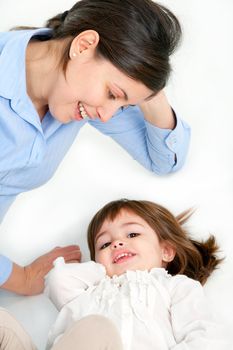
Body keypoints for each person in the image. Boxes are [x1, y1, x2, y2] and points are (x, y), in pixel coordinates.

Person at [0, 0, 191, 295]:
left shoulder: (78, 95)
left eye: (124, 104)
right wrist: (20, 278)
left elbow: (165, 159)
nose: (107, 115)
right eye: (113, 94)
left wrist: (148, 84)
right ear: (83, 45)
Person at [44, 199, 229, 350]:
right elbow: (58, 281)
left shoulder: (175, 287)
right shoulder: (91, 293)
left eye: (132, 234)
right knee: (93, 327)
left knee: (96, 327)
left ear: (166, 251)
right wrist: (101, 270)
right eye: (104, 245)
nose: (116, 243)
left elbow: (205, 336)